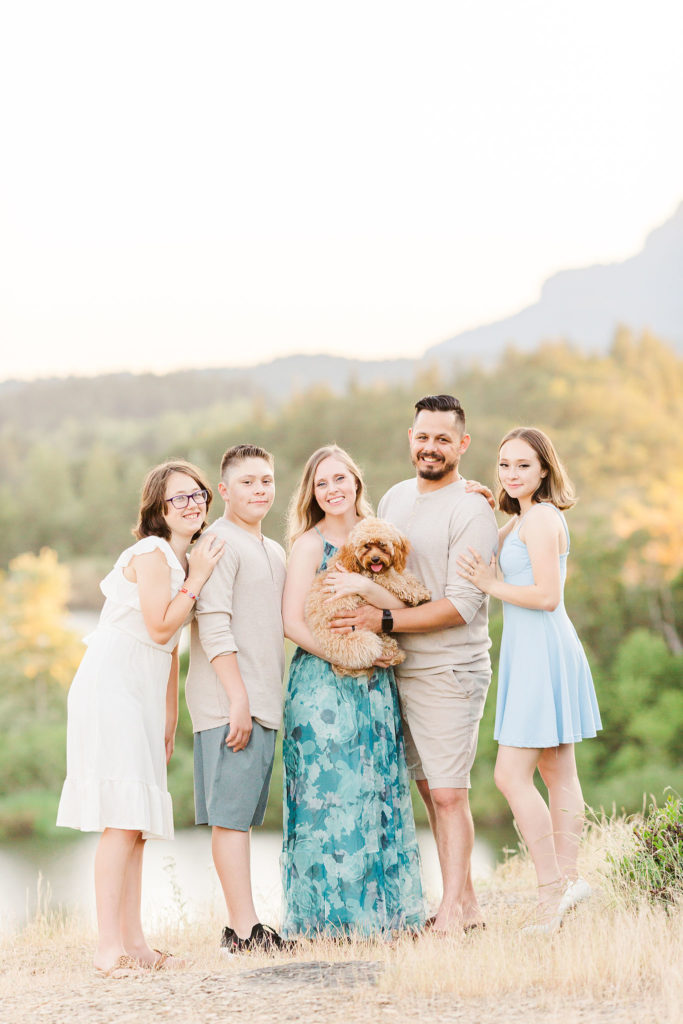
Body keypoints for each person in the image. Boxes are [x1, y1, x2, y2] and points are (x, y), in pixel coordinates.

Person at [329, 396, 498, 933]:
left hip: (449, 669)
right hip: (397, 669)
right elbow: (365, 551)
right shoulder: (396, 498)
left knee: (449, 792)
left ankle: (449, 913)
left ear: (462, 445)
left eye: (443, 439)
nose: (431, 447)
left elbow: (459, 608)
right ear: (410, 437)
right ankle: (465, 902)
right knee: (429, 790)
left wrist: (377, 622)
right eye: (423, 437)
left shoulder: (471, 509)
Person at [57, 460, 224, 977]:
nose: (192, 503)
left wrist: (170, 718)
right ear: (158, 508)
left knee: (137, 823)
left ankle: (137, 943)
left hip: (142, 694)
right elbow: (157, 628)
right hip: (111, 689)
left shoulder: (180, 561)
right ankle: (109, 949)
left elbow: (170, 651)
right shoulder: (154, 553)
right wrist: (198, 579)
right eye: (180, 497)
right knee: (122, 820)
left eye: (197, 494)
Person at [456, 426, 601, 933]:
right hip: (535, 649)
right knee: (557, 771)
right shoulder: (523, 518)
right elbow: (492, 549)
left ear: (544, 469)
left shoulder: (541, 519)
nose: (512, 474)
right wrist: (481, 502)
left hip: (543, 647)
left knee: (509, 776)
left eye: (523, 465)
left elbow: (546, 596)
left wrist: (491, 585)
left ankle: (550, 893)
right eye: (504, 465)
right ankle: (569, 882)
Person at [281, 444, 425, 938]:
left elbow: (397, 609)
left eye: (340, 478)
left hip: (376, 682)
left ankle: (384, 917)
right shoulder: (307, 545)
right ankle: (330, 923)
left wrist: (363, 590)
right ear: (313, 493)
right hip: (322, 686)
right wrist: (341, 654)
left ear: (356, 482)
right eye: (322, 483)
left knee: (377, 786)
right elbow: (292, 623)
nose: (333, 489)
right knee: (330, 796)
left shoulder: (378, 535)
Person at [185, 444, 287, 953]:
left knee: (242, 815)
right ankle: (244, 931)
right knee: (230, 817)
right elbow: (214, 624)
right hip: (231, 704)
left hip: (263, 701)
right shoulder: (218, 543)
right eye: (247, 482)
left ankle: (244, 927)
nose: (259, 490)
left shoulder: (273, 551)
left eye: (266, 480)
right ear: (224, 491)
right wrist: (237, 700)